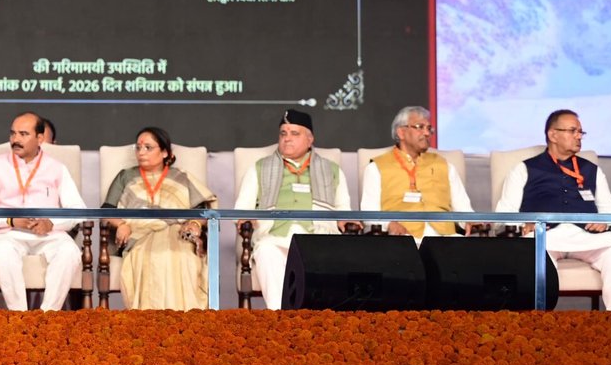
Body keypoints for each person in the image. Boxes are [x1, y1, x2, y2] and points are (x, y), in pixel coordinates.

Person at [494, 109, 611, 313]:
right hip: (544, 236)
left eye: (581, 132)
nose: (578, 136)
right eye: (573, 131)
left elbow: (610, 211)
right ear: (553, 135)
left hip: (587, 236)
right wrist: (523, 225)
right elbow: (503, 214)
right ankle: (539, 322)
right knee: (531, 255)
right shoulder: (524, 169)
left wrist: (604, 222)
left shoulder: (592, 170)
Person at [233, 109, 360, 310]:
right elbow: (241, 210)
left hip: (318, 238)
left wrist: (346, 221)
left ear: (310, 139)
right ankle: (281, 318)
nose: (287, 139)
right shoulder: (260, 168)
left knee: (329, 257)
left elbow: (343, 210)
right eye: (283, 133)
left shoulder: (332, 170)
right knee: (265, 251)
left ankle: (317, 323)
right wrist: (245, 220)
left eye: (294, 133)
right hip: (275, 238)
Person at [0, 112, 87, 311]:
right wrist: (11, 221)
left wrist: (52, 223)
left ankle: (47, 316)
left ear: (40, 138)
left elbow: (79, 210)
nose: (15, 139)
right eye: (13, 133)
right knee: (3, 252)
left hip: (48, 234)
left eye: (23, 134)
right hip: (7, 234)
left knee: (69, 252)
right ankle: (20, 318)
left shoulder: (56, 167)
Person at [103, 126, 216, 310]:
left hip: (178, 234)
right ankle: (150, 322)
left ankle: (187, 320)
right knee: (150, 258)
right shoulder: (125, 176)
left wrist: (195, 223)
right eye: (138, 147)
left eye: (148, 147)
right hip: (139, 236)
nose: (141, 152)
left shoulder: (181, 177)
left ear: (165, 152)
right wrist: (121, 224)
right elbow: (106, 210)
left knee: (184, 258)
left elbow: (202, 211)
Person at [360, 106, 477, 243]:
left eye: (429, 128)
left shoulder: (445, 166)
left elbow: (463, 209)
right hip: (403, 240)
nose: (427, 133)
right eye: (420, 127)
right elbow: (369, 213)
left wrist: (471, 222)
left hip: (444, 239)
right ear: (401, 132)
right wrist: (389, 224)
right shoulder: (377, 167)